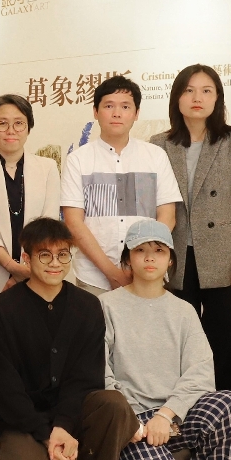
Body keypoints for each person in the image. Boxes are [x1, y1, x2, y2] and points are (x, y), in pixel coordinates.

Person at [0, 217, 139, 460]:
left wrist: (64, 426)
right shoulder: (2, 309)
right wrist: (46, 434)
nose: (55, 263)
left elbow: (86, 378)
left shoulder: (87, 306)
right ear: (26, 258)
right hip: (22, 418)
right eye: (45, 255)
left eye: (63, 254)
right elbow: (3, 387)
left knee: (113, 404)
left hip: (71, 412)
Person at [102, 219, 231, 460]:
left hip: (173, 417)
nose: (150, 258)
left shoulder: (183, 310)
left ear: (170, 259)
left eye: (159, 251)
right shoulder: (106, 305)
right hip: (131, 421)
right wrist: (133, 422)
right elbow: (98, 371)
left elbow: (201, 372)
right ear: (127, 258)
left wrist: (166, 414)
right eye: (140, 250)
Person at [150, 65, 231, 391]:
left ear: (217, 98)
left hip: (223, 258)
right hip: (175, 255)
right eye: (189, 90)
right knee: (178, 334)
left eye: (206, 90)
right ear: (177, 98)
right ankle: (182, 400)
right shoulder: (159, 144)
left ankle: (222, 402)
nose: (197, 97)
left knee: (224, 335)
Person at [61, 76, 180, 296]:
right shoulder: (78, 160)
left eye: (125, 107)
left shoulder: (155, 156)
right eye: (109, 106)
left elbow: (168, 216)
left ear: (136, 113)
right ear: (95, 112)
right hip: (93, 278)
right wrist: (112, 272)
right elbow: (73, 222)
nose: (117, 113)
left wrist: (140, 264)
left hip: (146, 276)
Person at [0, 94, 61, 308]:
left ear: (28, 128)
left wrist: (25, 271)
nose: (11, 130)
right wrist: (13, 268)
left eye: (19, 123)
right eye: (2, 123)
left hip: (35, 273)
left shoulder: (48, 168)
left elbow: (47, 225)